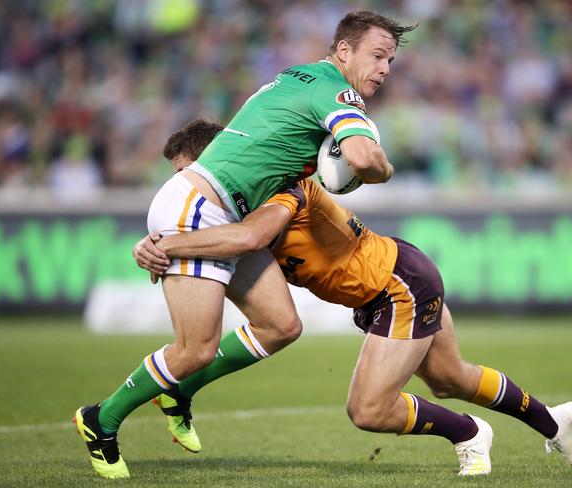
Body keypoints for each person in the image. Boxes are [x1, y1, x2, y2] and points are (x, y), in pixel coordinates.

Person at [133, 121, 572, 476]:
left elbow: (249, 237)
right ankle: (554, 421)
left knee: (368, 409)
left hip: (397, 287)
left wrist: (162, 245)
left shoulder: (277, 189)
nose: (182, 186)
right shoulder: (230, 206)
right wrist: (159, 246)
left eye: (187, 172)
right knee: (451, 378)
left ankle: (468, 433)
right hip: (395, 274)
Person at [74, 11, 415, 479]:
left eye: (391, 60)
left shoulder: (299, 80)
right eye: (377, 56)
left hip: (218, 209)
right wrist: (382, 167)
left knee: (280, 324)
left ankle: (177, 391)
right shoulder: (336, 91)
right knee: (194, 349)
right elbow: (359, 156)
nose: (385, 69)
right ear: (343, 50)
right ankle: (100, 419)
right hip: (203, 209)